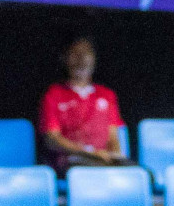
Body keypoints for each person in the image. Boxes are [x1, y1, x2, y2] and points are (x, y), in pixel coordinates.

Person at [39, 36, 128, 175]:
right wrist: (89, 152)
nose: (81, 59)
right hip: (72, 161)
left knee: (143, 174)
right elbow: (52, 139)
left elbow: (113, 136)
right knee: (94, 170)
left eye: (86, 53)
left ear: (93, 58)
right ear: (65, 58)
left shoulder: (107, 94)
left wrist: (115, 156)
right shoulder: (53, 94)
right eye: (75, 53)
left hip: (104, 159)